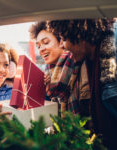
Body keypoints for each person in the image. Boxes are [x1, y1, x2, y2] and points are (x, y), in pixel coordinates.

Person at [47, 19, 117, 150]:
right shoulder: (86, 62)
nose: (62, 45)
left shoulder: (112, 55)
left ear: (78, 34)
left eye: (63, 38)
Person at [29, 21, 75, 114]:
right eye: (38, 46)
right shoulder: (48, 75)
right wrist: (43, 90)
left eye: (45, 42)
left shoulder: (75, 62)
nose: (41, 49)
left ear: (61, 41)